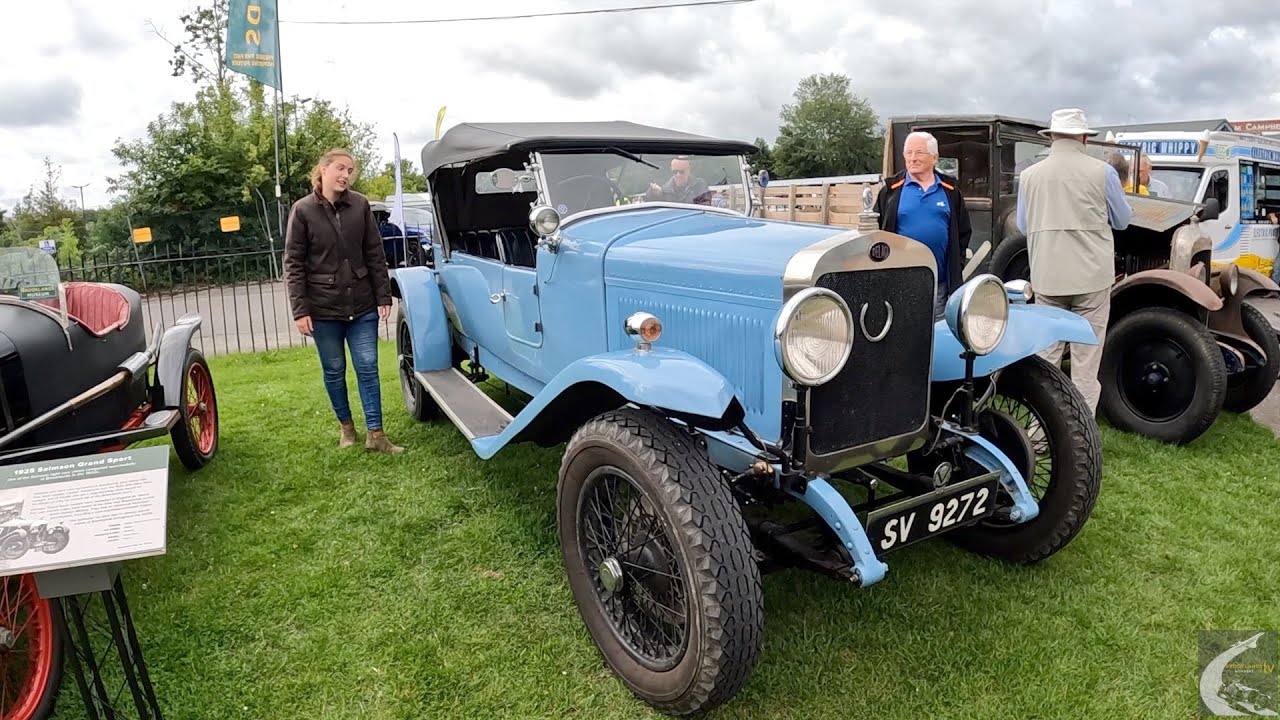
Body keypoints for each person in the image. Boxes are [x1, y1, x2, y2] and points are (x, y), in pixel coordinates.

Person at [284, 148, 403, 454]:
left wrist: (382, 294)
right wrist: (300, 310)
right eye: (340, 168)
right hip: (322, 310)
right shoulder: (302, 210)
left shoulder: (360, 205)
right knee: (334, 370)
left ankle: (376, 434)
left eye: (350, 171)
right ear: (322, 170)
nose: (345, 175)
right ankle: (347, 428)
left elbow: (375, 252)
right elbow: (293, 264)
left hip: (362, 305)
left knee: (368, 366)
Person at [1017, 108, 1133, 416]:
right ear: (1083, 137)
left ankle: (1040, 433)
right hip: (1092, 276)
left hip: (1047, 275)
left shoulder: (1029, 176)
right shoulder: (1103, 172)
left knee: (1047, 357)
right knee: (1085, 361)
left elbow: (1023, 225)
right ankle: (1081, 433)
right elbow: (1122, 220)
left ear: (1053, 136)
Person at [873, 130, 972, 317]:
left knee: (936, 338)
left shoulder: (951, 191)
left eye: (919, 153)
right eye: (908, 153)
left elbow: (963, 233)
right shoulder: (891, 191)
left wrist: (955, 265)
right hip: (899, 284)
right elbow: (876, 232)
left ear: (934, 158)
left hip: (938, 285)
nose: (912, 158)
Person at [646, 156, 712, 205]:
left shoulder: (699, 185)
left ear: (688, 170)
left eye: (681, 172)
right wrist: (654, 194)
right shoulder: (664, 190)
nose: (678, 175)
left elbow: (705, 207)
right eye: (675, 172)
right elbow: (653, 208)